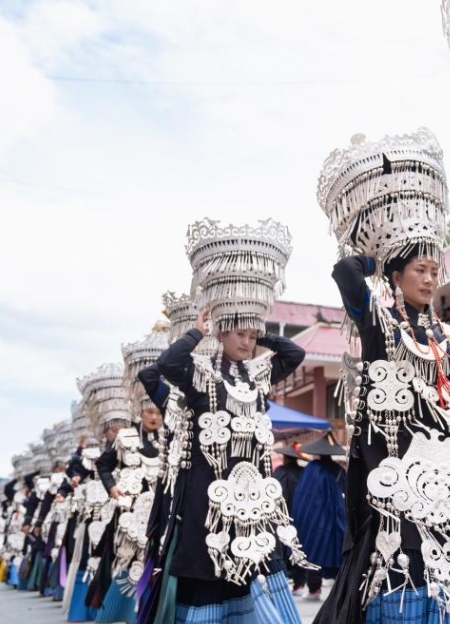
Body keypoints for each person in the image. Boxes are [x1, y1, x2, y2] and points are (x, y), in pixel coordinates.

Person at [315, 128, 450, 624]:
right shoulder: (381, 327)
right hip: (400, 477)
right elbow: (346, 275)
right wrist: (388, 252)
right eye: (419, 267)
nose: (430, 277)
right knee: (409, 568)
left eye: (434, 268)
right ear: (398, 274)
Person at [152, 215, 306, 624]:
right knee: (209, 575)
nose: (245, 341)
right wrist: (196, 333)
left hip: (253, 499)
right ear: (220, 333)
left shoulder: (256, 376)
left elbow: (294, 356)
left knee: (254, 572)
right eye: (238, 333)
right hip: (208, 497)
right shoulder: (201, 375)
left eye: (250, 336)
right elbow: (166, 366)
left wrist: (260, 329)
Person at [291, 434, 347, 601]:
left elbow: (303, 496)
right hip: (337, 518)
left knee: (313, 549)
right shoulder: (339, 469)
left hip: (315, 518)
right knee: (338, 550)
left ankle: (314, 588)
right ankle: (341, 588)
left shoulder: (312, 469)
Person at [271, 444, 309, 597]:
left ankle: (283, 578)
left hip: (282, 516)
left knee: (282, 545)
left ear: (285, 458)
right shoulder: (303, 473)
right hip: (301, 515)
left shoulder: (280, 472)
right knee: (299, 546)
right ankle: (299, 583)